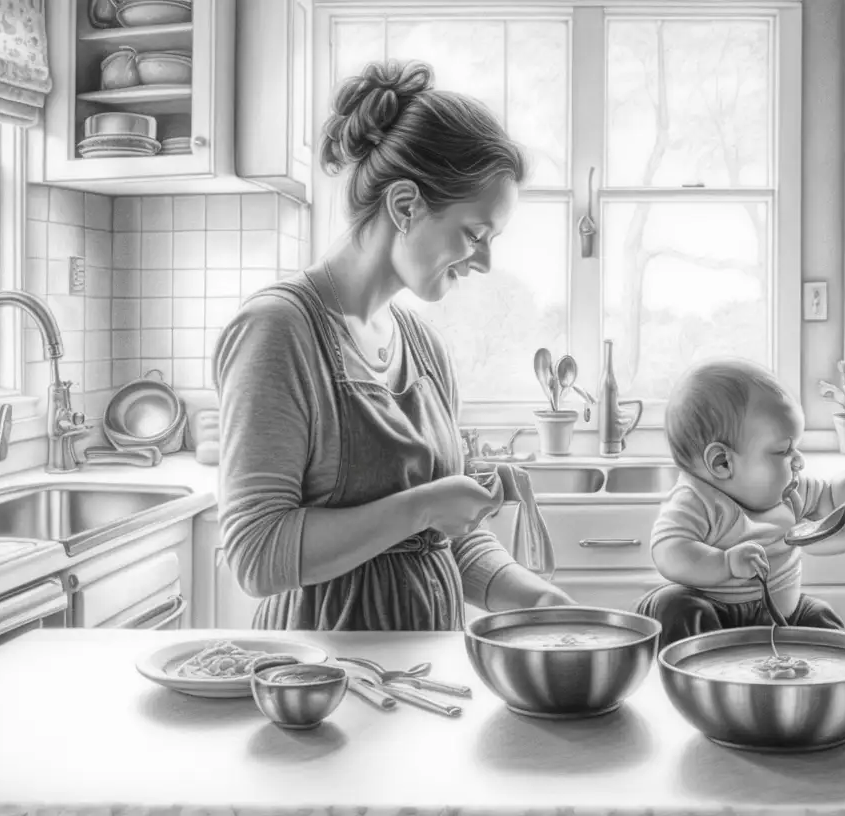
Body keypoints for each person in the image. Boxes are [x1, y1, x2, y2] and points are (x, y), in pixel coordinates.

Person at [213, 58, 574, 631]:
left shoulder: (424, 347)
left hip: (430, 669)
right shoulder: (278, 331)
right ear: (405, 205)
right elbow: (257, 554)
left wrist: (535, 601)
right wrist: (423, 505)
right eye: (474, 235)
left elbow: (446, 541)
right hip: (322, 680)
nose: (484, 261)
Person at [635, 359, 845, 649]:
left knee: (819, 618)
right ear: (722, 462)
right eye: (784, 450)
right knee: (673, 608)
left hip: (779, 618)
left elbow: (836, 496)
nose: (799, 460)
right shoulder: (696, 500)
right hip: (715, 622)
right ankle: (695, 684)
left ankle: (824, 687)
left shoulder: (787, 493)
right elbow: (669, 551)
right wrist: (725, 564)